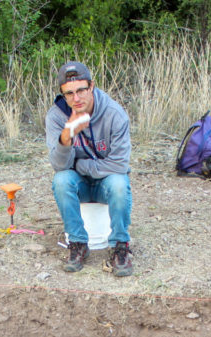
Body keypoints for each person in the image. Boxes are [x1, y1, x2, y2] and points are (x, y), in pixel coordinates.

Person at [44, 61, 134, 277]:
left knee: (119, 183)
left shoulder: (114, 114)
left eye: (81, 90)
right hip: (79, 184)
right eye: (69, 93)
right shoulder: (56, 117)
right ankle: (77, 243)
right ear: (63, 94)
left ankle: (120, 245)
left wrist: (82, 166)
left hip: (107, 184)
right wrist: (66, 136)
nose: (76, 99)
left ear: (92, 86)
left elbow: (120, 164)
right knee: (62, 180)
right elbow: (60, 167)